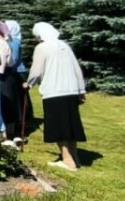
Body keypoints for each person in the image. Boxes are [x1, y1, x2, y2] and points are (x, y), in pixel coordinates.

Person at [26, 22, 87, 170]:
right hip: (71, 90)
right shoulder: (64, 46)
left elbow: (36, 71)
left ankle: (68, 161)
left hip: (54, 91)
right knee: (70, 125)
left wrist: (29, 83)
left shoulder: (42, 48)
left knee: (59, 127)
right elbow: (76, 69)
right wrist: (81, 90)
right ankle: (75, 158)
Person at [0, 20, 21, 144]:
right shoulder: (4, 42)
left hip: (2, 76)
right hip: (8, 75)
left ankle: (8, 134)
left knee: (5, 104)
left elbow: (1, 64)